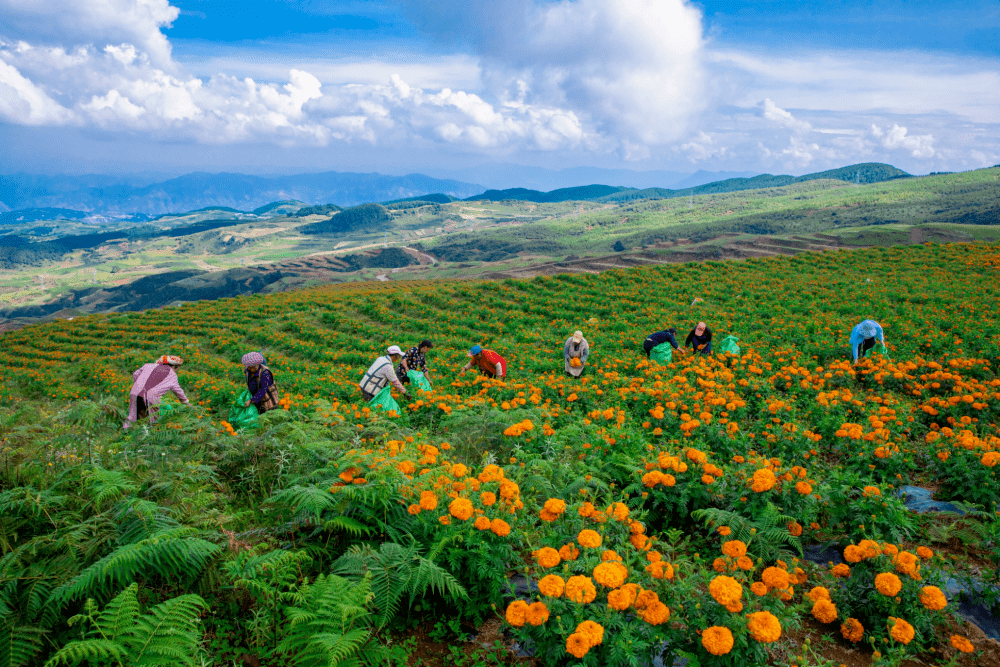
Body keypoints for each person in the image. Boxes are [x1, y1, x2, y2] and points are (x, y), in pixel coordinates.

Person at [124, 355, 190, 429]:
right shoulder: (172, 374)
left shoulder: (148, 365)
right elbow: (178, 391)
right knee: (151, 421)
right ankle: (145, 437)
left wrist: (139, 385)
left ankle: (126, 433)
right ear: (175, 366)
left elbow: (135, 374)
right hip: (151, 397)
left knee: (132, 415)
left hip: (135, 392)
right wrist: (186, 403)